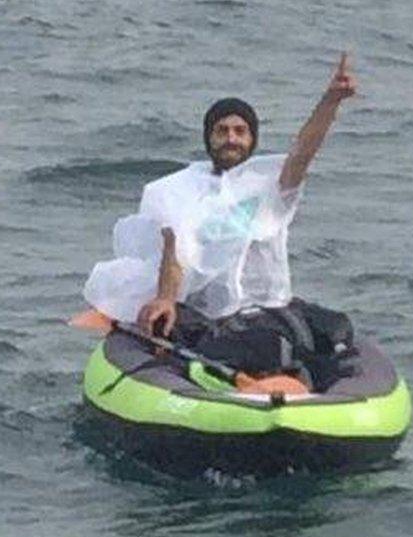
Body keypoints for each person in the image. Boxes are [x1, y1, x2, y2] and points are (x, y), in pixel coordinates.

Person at [134, 52, 357, 338]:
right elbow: (173, 251)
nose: (231, 139)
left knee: (337, 330)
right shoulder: (180, 190)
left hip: (271, 308)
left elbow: (303, 152)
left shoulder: (270, 185)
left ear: (252, 140)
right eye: (221, 131)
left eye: (240, 131)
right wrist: (166, 298)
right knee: (264, 349)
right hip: (212, 315)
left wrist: (331, 101)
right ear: (208, 138)